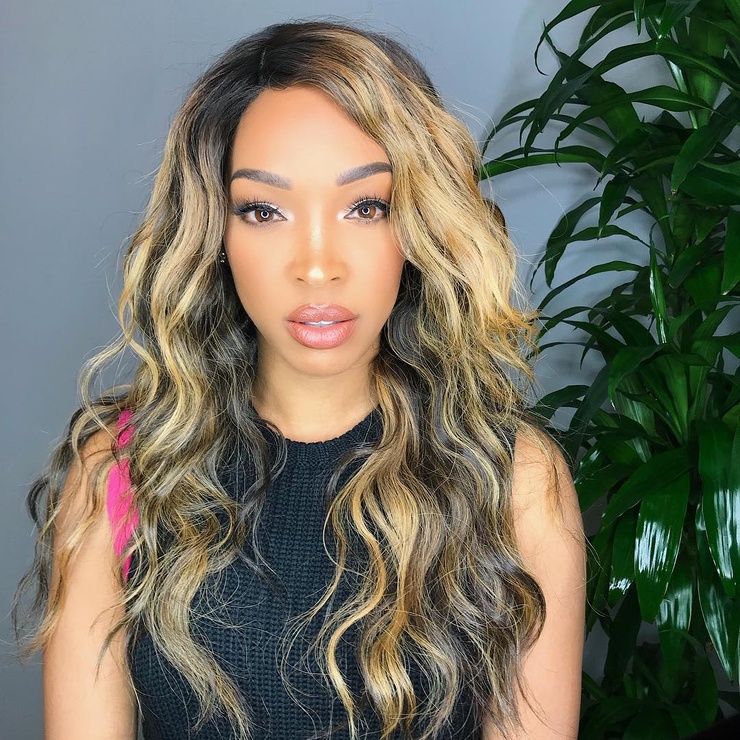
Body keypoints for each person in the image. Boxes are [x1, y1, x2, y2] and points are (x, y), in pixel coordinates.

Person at [13, 18, 586, 740]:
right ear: (216, 232)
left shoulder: (515, 482)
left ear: (419, 224)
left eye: (366, 207)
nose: (317, 266)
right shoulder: (123, 471)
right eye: (264, 210)